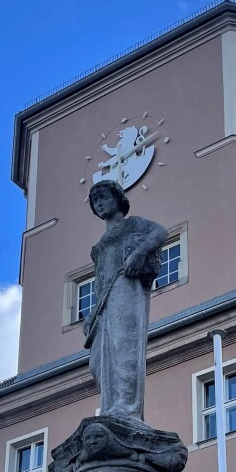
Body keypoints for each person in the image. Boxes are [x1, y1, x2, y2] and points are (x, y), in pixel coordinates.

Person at [84, 180, 166, 422]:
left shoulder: (132, 225)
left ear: (117, 199)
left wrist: (139, 253)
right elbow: (99, 280)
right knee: (97, 361)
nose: (99, 203)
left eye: (104, 197)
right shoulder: (98, 246)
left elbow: (160, 232)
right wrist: (91, 314)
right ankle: (110, 406)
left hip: (124, 287)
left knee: (124, 347)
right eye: (95, 201)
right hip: (104, 302)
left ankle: (127, 408)